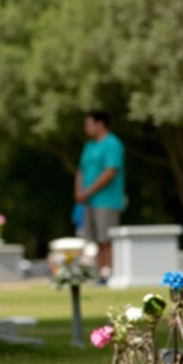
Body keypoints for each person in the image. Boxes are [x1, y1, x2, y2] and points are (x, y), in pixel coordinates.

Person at [75, 110, 126, 277]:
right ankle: (98, 275)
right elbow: (81, 170)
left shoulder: (112, 144)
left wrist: (88, 191)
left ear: (101, 124)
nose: (86, 128)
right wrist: (78, 191)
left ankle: (110, 273)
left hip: (107, 201)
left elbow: (110, 171)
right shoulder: (89, 146)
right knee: (94, 241)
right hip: (88, 202)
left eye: (89, 124)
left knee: (107, 240)